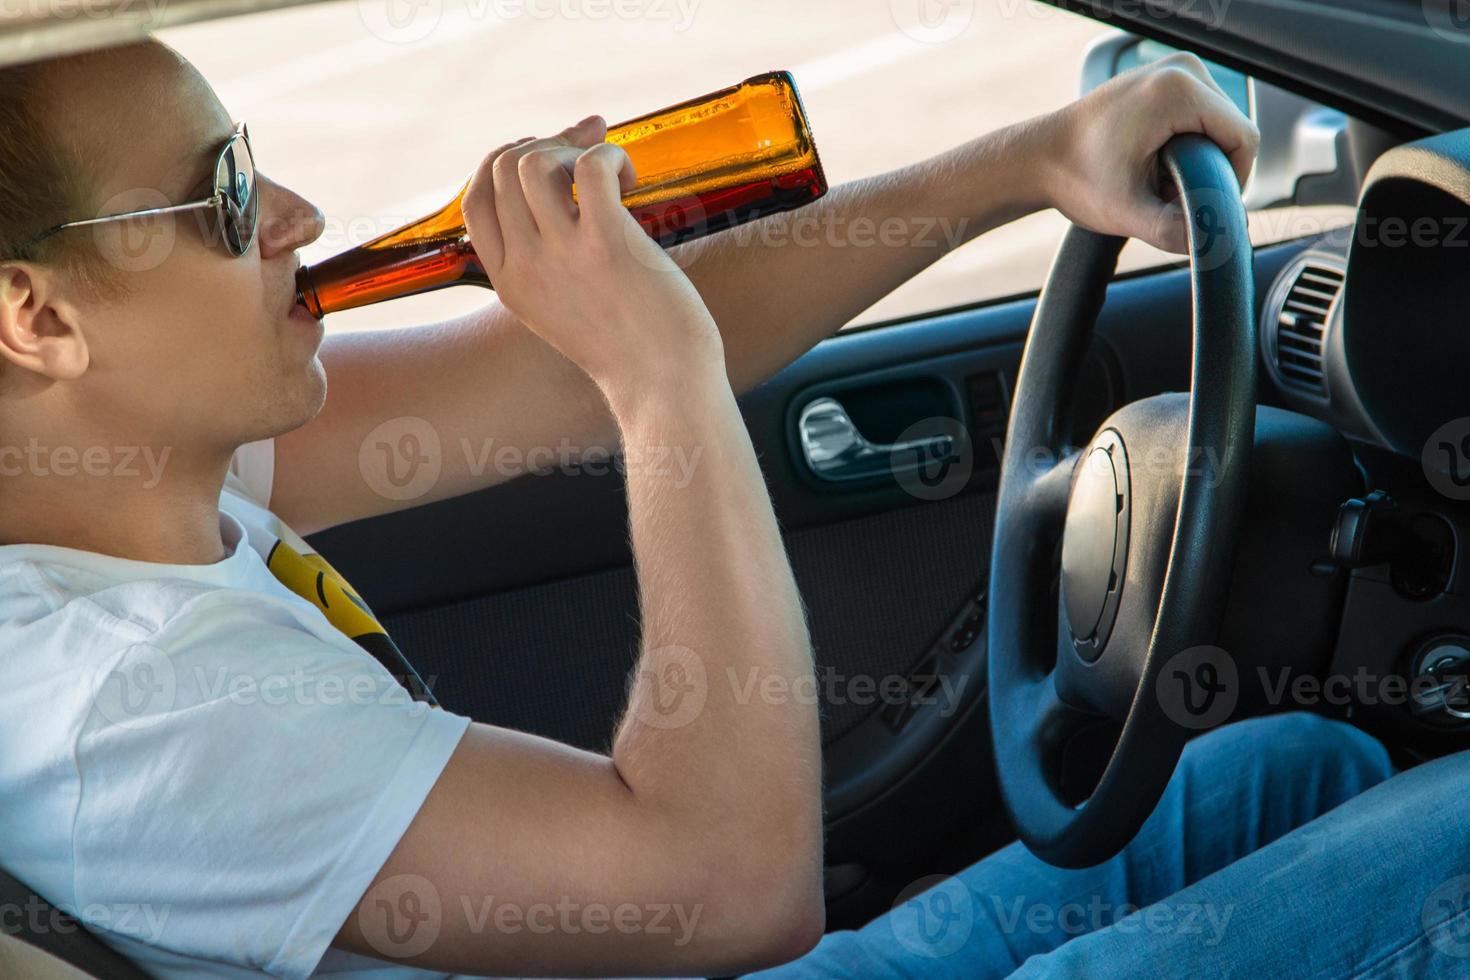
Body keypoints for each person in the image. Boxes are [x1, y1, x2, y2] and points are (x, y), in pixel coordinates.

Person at [0, 35, 1268, 979]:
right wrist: (659, 377)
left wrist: (1035, 158)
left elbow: (542, 370)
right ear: (39, 317)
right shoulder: (137, 703)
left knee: (1292, 766)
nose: (298, 219)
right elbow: (733, 888)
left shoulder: (135, 474)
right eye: (226, 193)